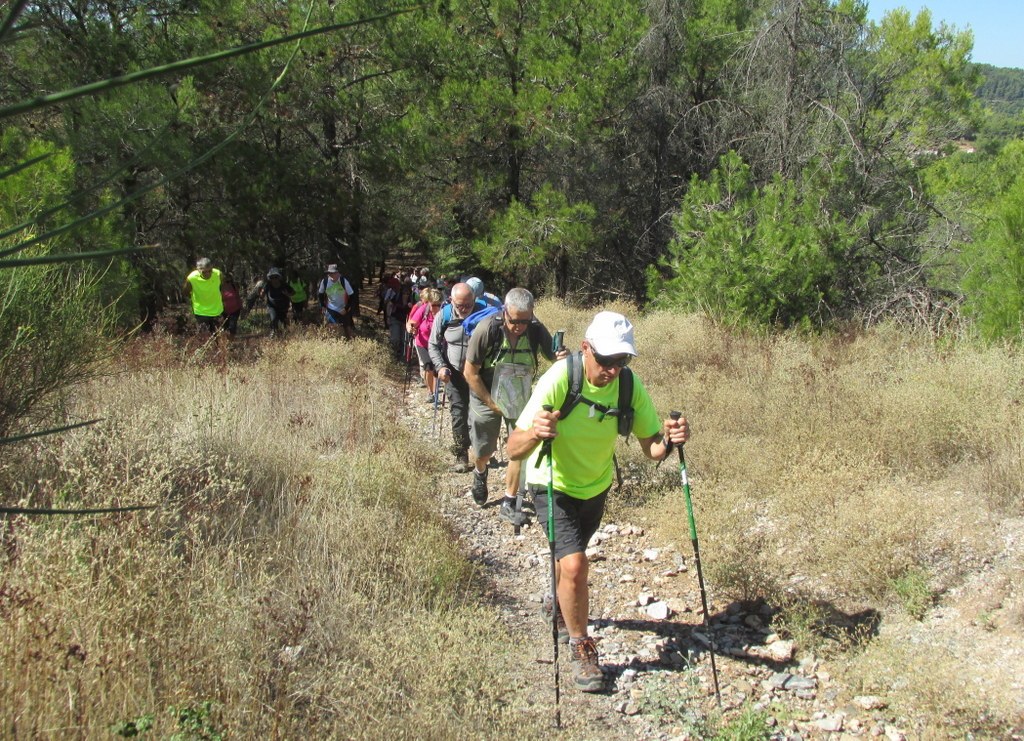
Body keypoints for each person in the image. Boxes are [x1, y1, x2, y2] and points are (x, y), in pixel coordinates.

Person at [507, 311, 690, 693]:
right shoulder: (560, 379)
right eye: (605, 360)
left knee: (567, 562)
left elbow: (652, 449)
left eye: (621, 362)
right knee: (574, 565)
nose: (612, 370)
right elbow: (513, 448)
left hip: (595, 487)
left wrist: (672, 440)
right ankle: (582, 647)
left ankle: (557, 606)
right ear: (586, 349)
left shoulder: (628, 386)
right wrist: (537, 433)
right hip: (551, 483)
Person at [464, 287, 567, 523]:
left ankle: (509, 501)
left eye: (525, 320)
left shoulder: (535, 329)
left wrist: (561, 356)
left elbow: (552, 356)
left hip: (520, 394)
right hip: (485, 392)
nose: (519, 326)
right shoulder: (486, 329)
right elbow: (470, 373)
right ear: (504, 312)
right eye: (514, 321)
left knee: (519, 449)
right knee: (484, 450)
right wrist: (491, 403)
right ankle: (480, 471)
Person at [429, 282, 486, 473]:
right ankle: (461, 455)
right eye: (460, 305)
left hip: (479, 373)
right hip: (453, 373)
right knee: (458, 413)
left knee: (480, 414)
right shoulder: (444, 315)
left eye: (468, 305)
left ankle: (482, 453)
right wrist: (441, 366)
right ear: (452, 300)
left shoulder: (485, 313)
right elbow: (433, 344)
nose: (465, 309)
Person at [406, 287, 443, 402]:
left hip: (437, 344)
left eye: (438, 305)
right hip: (422, 343)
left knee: (437, 368)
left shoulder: (444, 311)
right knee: (428, 366)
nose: (435, 308)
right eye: (433, 305)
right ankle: (430, 392)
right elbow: (411, 323)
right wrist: (411, 329)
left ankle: (436, 391)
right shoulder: (423, 309)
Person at [182, 257, 224, 334]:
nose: (207, 274)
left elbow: (223, 287)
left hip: (216, 310)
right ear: (198, 270)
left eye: (210, 271)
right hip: (200, 311)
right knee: (205, 336)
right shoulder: (192, 278)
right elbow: (185, 292)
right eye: (204, 272)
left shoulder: (218, 274)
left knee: (218, 335)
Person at [250, 267, 294, 337]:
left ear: (279, 277)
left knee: (282, 320)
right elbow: (262, 295)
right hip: (272, 306)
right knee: (274, 318)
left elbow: (293, 293)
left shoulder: (284, 285)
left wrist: (287, 294)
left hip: (283, 306)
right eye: (272, 277)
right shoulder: (268, 285)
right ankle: (274, 331)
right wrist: (260, 292)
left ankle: (284, 334)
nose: (274, 279)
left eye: (276, 277)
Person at [318, 264, 355, 339]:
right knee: (332, 327)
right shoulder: (324, 282)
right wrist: (323, 306)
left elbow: (352, 295)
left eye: (334, 273)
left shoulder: (343, 281)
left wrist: (346, 308)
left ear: (338, 273)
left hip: (343, 308)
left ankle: (352, 343)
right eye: (331, 273)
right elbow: (320, 294)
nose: (333, 275)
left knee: (347, 328)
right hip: (331, 308)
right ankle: (334, 343)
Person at [220, 272, 243, 337]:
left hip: (235, 309)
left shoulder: (234, 285)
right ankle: (226, 342)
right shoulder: (220, 287)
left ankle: (232, 340)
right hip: (224, 310)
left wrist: (241, 306)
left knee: (232, 326)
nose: (227, 279)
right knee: (226, 327)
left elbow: (237, 296)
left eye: (229, 278)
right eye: (226, 278)